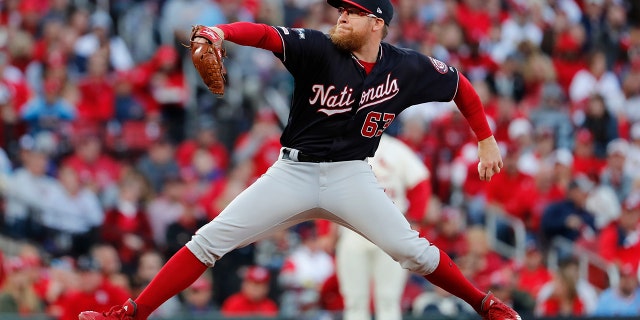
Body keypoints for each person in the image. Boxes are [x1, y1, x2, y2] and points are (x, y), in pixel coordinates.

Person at [78, 1, 519, 320]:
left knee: (412, 251)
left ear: (376, 23)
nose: (340, 16)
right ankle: (129, 314)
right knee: (208, 241)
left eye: (351, 11)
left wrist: (486, 139)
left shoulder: (408, 67)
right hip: (294, 171)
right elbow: (267, 35)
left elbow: (460, 85)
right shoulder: (318, 47)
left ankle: (486, 305)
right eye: (340, 10)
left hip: (351, 176)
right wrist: (220, 33)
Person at [335, 133, 430, 320]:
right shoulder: (343, 146)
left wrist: (416, 220)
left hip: (390, 231)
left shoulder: (395, 149)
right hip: (353, 230)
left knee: (388, 299)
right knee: (355, 301)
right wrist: (326, 229)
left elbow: (420, 182)